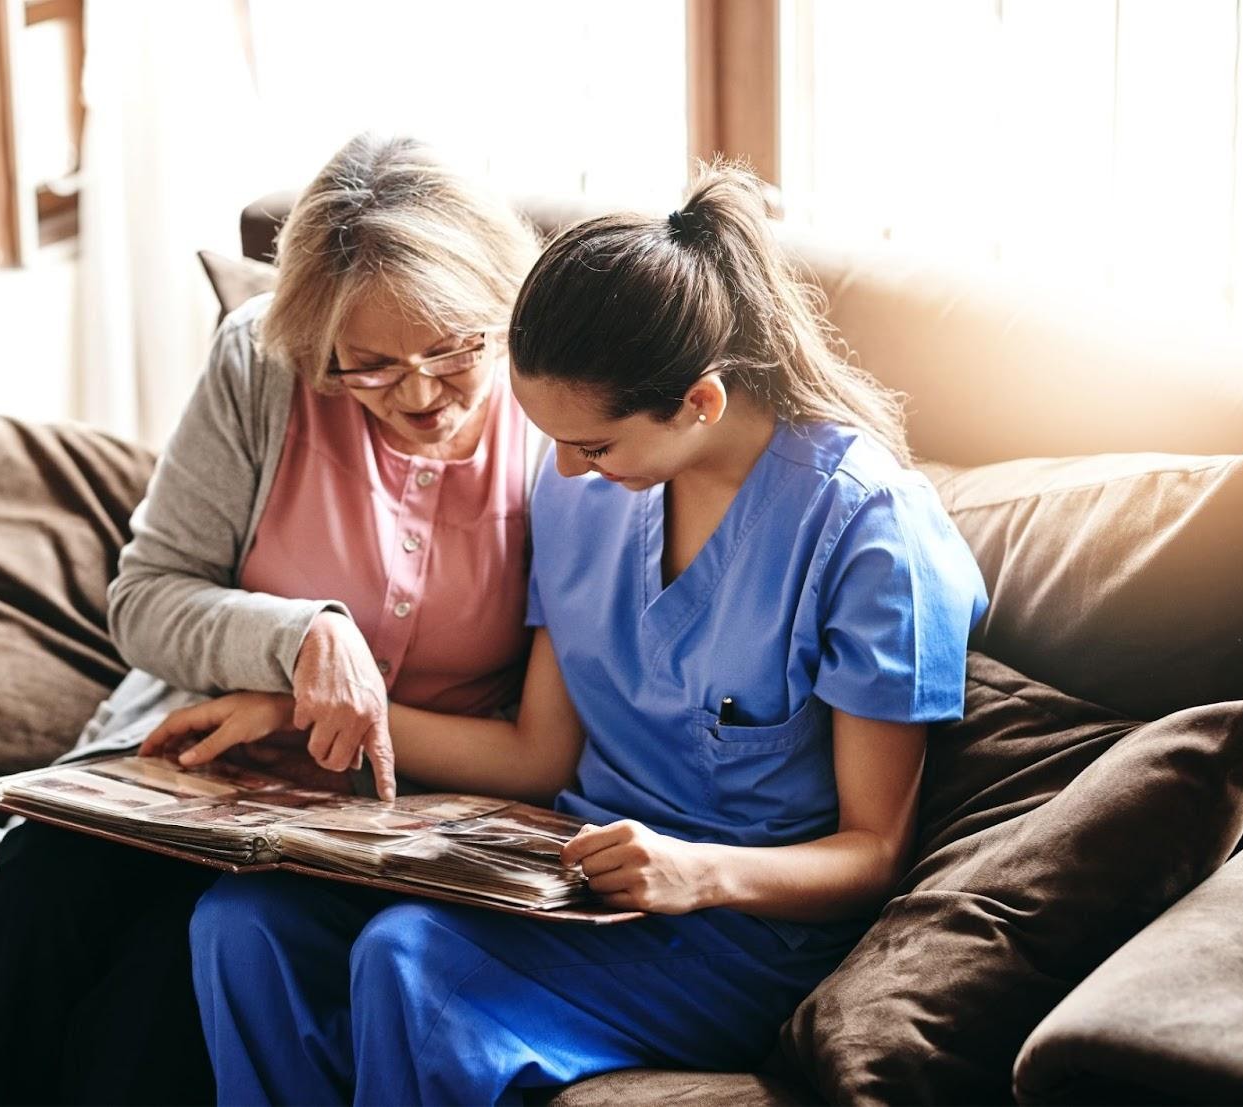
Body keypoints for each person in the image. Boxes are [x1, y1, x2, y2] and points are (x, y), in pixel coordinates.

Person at [177, 162, 990, 1106]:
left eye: (593, 445)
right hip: (566, 871)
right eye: (549, 437)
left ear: (700, 402)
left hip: (740, 924)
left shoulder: (869, 535)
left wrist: (693, 870)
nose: (559, 470)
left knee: (412, 960)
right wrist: (295, 709)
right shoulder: (578, 490)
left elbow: (873, 852)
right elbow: (537, 755)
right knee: (246, 923)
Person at [0, 133, 544, 1105]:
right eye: (370, 369)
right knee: (28, 906)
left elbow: (550, 742)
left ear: (503, 309)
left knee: (163, 988)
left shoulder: (561, 415)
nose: (420, 395)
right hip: (198, 778)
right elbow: (145, 599)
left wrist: (307, 716)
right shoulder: (262, 367)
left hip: (392, 814)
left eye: (451, 349)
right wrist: (298, 636)